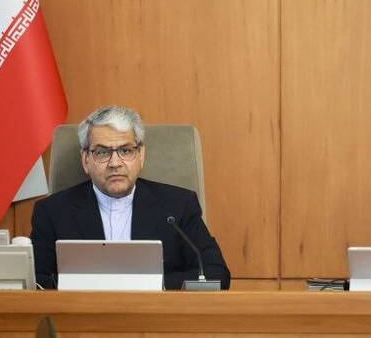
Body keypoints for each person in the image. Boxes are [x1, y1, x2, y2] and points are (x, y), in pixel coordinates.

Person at [31, 106, 231, 289]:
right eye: (102, 152)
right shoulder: (52, 212)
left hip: (155, 313)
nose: (115, 163)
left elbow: (216, 273)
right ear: (86, 160)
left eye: (125, 151)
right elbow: (37, 281)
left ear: (141, 155)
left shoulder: (178, 206)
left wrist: (149, 285)